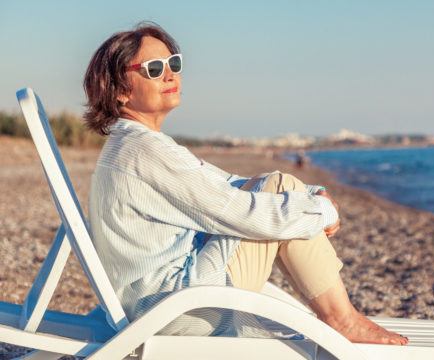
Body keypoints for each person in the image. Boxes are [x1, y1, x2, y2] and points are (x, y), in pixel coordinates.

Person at [83, 22, 407, 345]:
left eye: (174, 63)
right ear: (119, 90)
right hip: (177, 310)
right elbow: (242, 212)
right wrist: (321, 212)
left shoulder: (134, 144)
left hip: (155, 304)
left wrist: (311, 196)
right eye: (154, 69)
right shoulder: (144, 150)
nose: (171, 75)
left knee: (280, 187)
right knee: (278, 187)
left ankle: (341, 316)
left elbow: (225, 185)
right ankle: (342, 319)